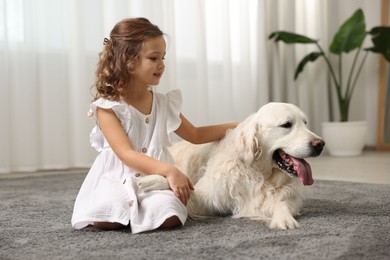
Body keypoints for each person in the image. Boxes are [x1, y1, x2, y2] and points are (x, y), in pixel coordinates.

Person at [71, 17, 237, 234]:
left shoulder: (163, 103)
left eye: (163, 58)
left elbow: (195, 134)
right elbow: (126, 154)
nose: (162, 65)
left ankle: (145, 210)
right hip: (117, 177)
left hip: (155, 180)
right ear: (128, 61)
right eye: (153, 58)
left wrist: (238, 125)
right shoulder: (108, 107)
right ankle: (126, 211)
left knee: (170, 214)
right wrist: (170, 171)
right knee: (107, 214)